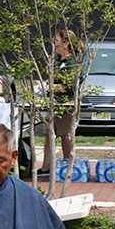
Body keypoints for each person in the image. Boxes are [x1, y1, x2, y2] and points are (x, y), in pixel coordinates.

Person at [38, 29, 82, 176]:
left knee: (66, 136)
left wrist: (49, 87)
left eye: (57, 41)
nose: (54, 44)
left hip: (66, 105)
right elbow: (55, 80)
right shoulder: (58, 61)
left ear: (66, 43)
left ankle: (68, 168)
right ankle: (46, 168)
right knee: (49, 135)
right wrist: (44, 84)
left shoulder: (71, 63)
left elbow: (69, 86)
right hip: (54, 104)